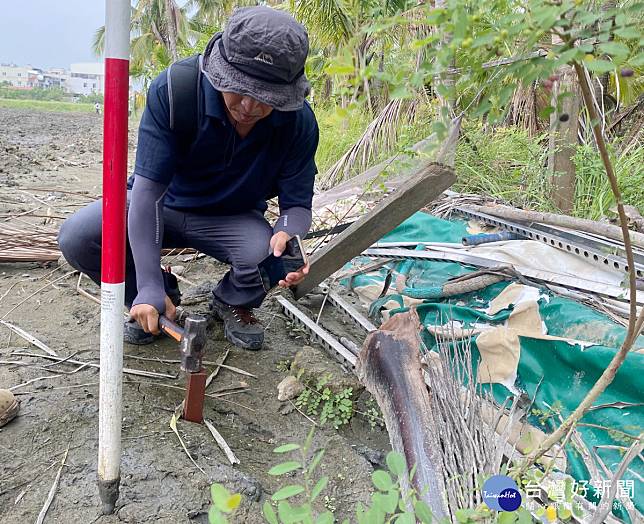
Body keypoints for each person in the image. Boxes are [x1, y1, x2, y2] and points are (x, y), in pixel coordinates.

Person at [58, 6, 318, 351]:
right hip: (160, 205)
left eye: (265, 98)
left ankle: (231, 301)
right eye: (239, 89)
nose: (248, 106)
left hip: (232, 218)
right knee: (80, 236)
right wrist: (148, 282)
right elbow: (147, 193)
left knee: (267, 256)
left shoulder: (297, 123)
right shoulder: (176, 90)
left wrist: (289, 232)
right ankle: (153, 300)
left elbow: (297, 205)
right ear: (220, 72)